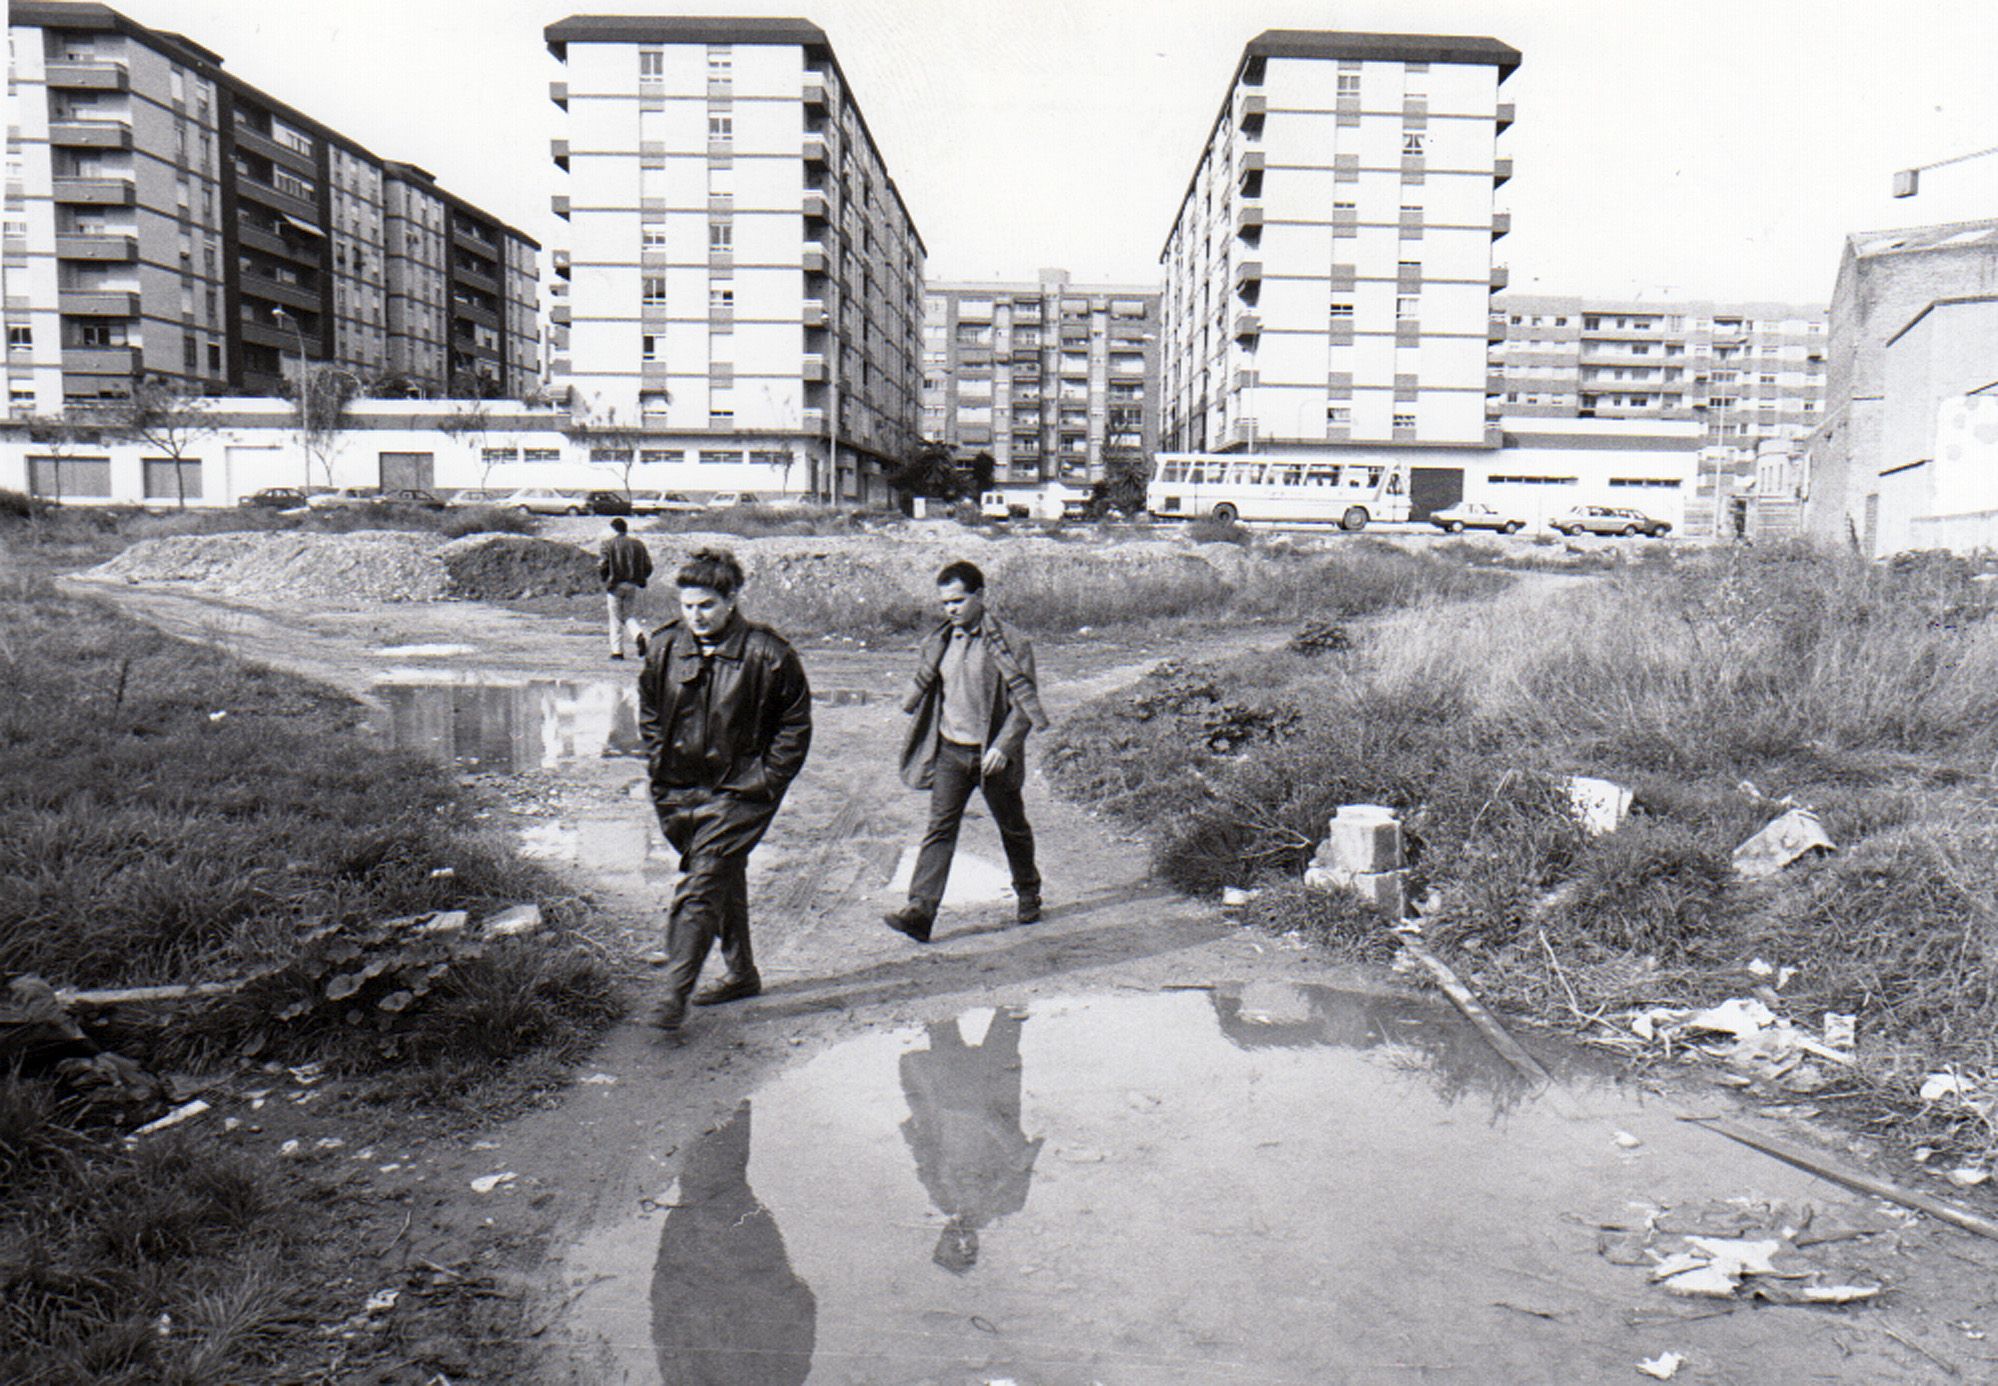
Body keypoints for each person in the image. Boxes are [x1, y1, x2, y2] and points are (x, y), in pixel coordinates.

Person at [638, 548, 812, 1030]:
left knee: (703, 880)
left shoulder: (769, 654)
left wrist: (766, 780)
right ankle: (741, 974)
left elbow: (795, 727)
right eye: (688, 605)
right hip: (679, 790)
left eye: (707, 606)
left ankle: (674, 993)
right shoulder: (665, 648)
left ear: (732, 600)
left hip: (742, 791)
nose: (695, 616)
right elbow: (650, 712)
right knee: (721, 873)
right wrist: (659, 763)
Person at [884, 560, 1048, 943]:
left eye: (958, 600)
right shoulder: (939, 644)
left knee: (1013, 827)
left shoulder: (1012, 643)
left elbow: (1024, 706)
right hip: (951, 754)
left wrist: (1004, 747)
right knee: (939, 830)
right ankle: (920, 912)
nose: (951, 609)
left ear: (980, 596)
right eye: (945, 603)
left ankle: (1028, 892)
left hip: (992, 758)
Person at [599, 516, 653, 661]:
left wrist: (604, 579)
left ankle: (617, 652)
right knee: (628, 615)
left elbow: (603, 565)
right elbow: (648, 566)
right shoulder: (638, 544)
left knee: (615, 617)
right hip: (632, 584)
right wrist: (640, 578)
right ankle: (638, 635)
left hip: (615, 584)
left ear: (613, 529)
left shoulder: (607, 544)